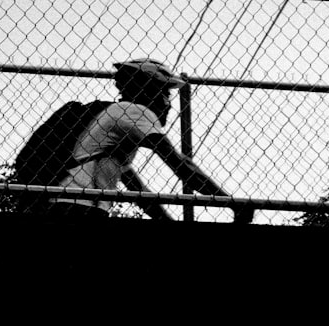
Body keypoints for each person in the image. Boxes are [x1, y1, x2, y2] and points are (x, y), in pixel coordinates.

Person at [53, 58, 253, 224]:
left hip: (70, 204)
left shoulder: (116, 120)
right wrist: (232, 203)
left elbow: (138, 190)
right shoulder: (136, 111)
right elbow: (180, 164)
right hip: (80, 207)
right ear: (148, 89)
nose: (168, 103)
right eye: (165, 92)